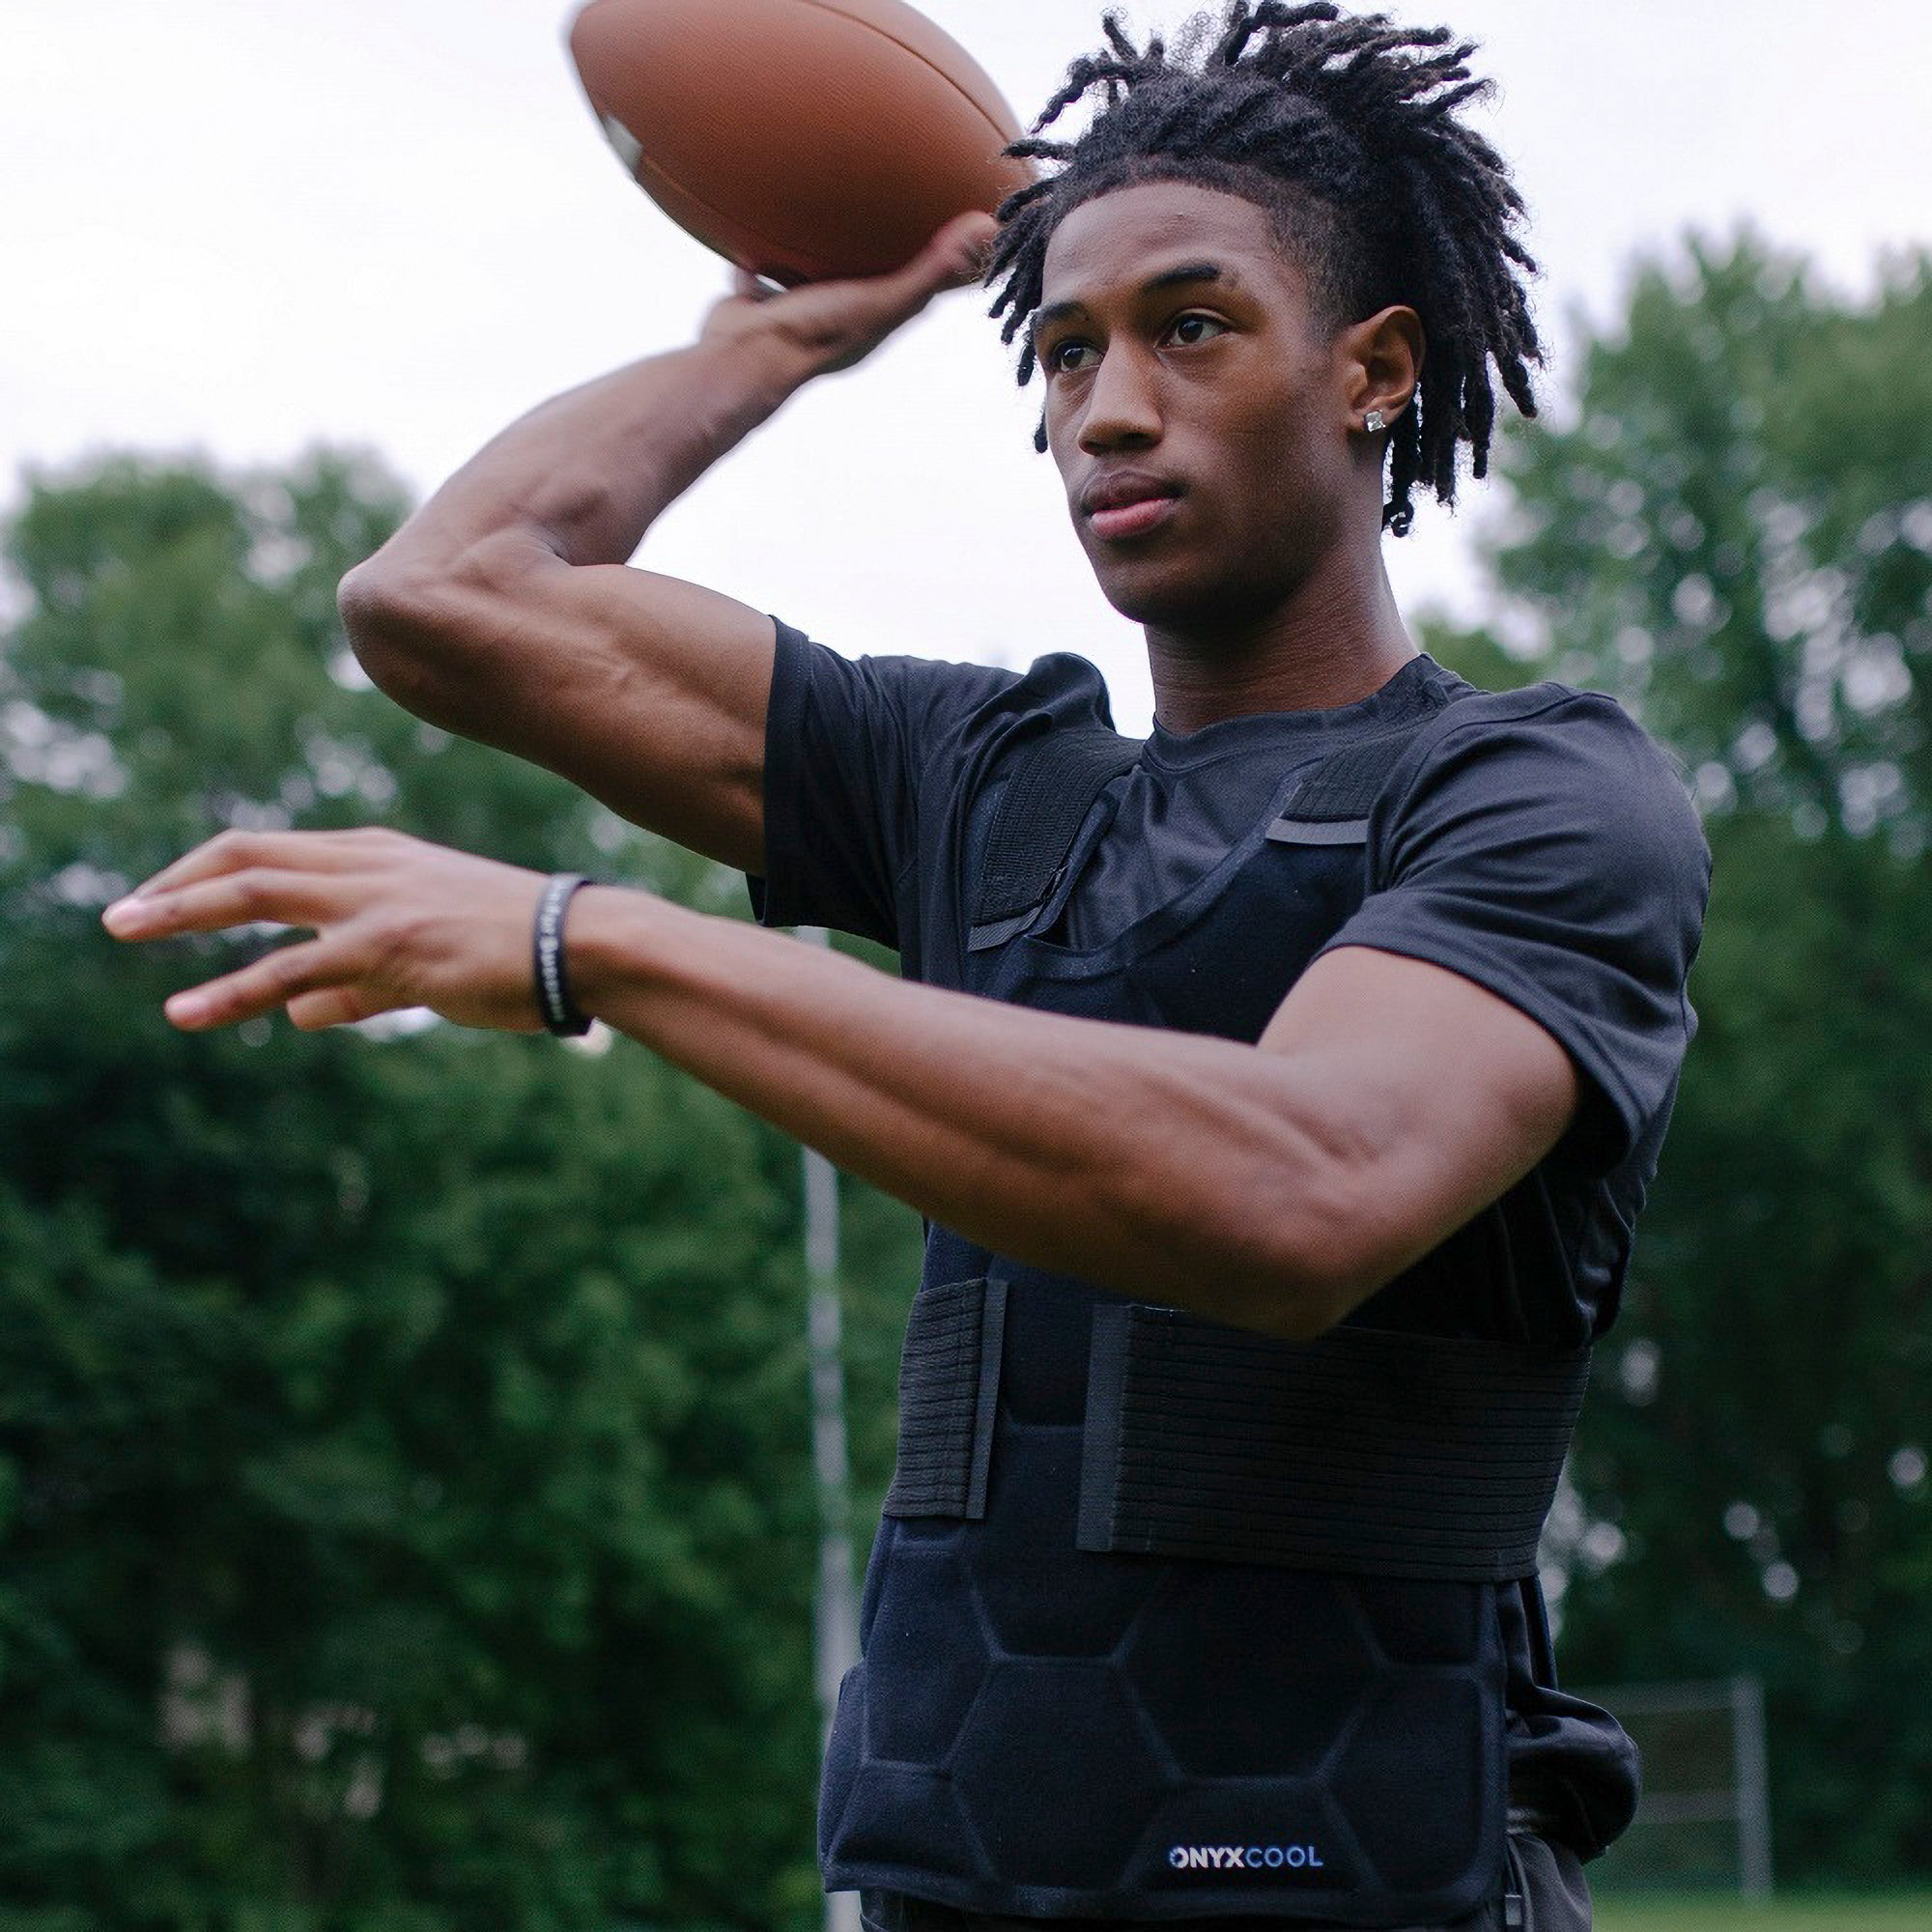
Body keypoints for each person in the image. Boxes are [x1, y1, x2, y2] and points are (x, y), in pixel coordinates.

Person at [104, 4, 1710, 1926]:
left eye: (1189, 327)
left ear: (1373, 369)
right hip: (941, 1884)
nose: (1105, 406)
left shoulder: (1534, 793)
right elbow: (444, 600)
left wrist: (593, 940)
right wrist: (767, 342)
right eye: (1062, 348)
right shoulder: (980, 786)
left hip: (1357, 1879)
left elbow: (1306, 1186)